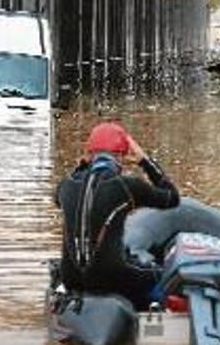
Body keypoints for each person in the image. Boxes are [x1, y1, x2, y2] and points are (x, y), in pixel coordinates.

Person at [55, 121, 180, 309]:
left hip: (72, 278)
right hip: (112, 276)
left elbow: (62, 200)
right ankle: (155, 315)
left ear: (89, 154)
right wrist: (144, 161)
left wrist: (82, 166)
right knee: (163, 274)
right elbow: (171, 198)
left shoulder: (65, 185)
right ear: (121, 156)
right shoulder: (125, 186)